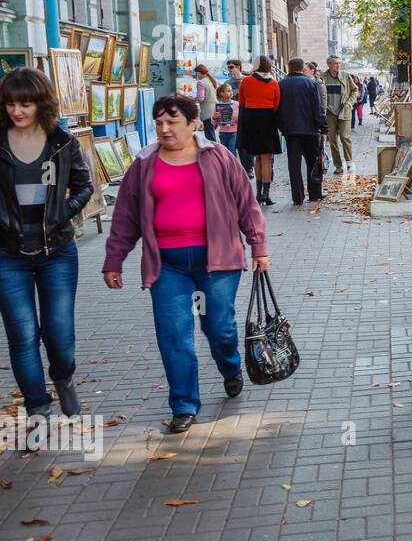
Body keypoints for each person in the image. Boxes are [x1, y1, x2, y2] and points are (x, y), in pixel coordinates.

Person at [102, 94, 269, 435]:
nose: (164, 129)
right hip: (168, 267)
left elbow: (246, 204)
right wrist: (113, 260)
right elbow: (125, 217)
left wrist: (258, 246)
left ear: (193, 123)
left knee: (218, 326)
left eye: (172, 122)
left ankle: (230, 366)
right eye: (159, 122)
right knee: (174, 334)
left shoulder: (218, 156)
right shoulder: (145, 163)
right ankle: (184, 404)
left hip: (216, 260)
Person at [0, 69, 94, 423]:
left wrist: (61, 213)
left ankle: (64, 377)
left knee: (59, 332)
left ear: (41, 103)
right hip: (8, 253)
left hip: (56, 251)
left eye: (24, 103)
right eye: (10, 103)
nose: (16, 111)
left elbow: (84, 186)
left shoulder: (62, 143)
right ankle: (37, 406)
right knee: (22, 335)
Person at [277, 58, 327, 206]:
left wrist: (282, 127)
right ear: (301, 68)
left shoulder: (281, 84)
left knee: (294, 164)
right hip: (310, 130)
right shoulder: (311, 84)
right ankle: (315, 194)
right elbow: (318, 108)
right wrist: (323, 127)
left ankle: (297, 197)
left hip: (291, 131)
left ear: (288, 67)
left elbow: (277, 109)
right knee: (313, 161)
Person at [236, 55, 282, 205]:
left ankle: (258, 193)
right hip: (268, 118)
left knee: (257, 157)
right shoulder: (274, 82)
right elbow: (276, 104)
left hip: (251, 118)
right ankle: (266, 195)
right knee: (267, 157)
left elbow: (241, 101)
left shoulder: (246, 80)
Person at [322, 56, 357, 173]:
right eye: (335, 63)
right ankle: (338, 166)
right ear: (329, 65)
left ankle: (349, 163)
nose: (338, 65)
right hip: (330, 112)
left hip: (344, 111)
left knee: (344, 136)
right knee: (332, 139)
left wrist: (349, 103)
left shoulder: (346, 76)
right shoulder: (323, 77)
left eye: (339, 63)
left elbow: (354, 90)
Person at [194, 64, 219, 141]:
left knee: (210, 137)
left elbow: (200, 98)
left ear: (199, 72)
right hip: (216, 110)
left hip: (207, 113)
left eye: (196, 73)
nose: (196, 75)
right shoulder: (213, 80)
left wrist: (193, 98)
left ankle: (214, 151)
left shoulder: (201, 83)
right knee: (214, 134)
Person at [214, 83, 239, 158]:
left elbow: (242, 119)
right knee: (224, 153)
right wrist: (215, 117)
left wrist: (238, 119)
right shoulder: (218, 105)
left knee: (232, 152)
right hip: (222, 133)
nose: (231, 92)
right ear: (222, 93)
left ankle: (233, 168)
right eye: (228, 91)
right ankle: (226, 168)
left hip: (234, 133)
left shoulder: (236, 104)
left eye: (231, 90)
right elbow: (213, 122)